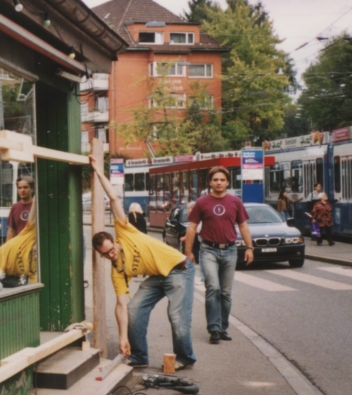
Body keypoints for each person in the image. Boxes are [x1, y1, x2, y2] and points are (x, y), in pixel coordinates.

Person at [90, 155, 196, 370]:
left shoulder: (124, 230)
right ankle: (139, 356)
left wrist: (99, 173)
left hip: (179, 269)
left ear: (115, 241)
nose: (111, 255)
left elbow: (113, 198)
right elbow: (120, 305)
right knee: (134, 309)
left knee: (175, 315)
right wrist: (122, 338)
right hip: (157, 276)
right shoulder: (117, 270)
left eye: (111, 250)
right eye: (105, 255)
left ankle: (185, 357)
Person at [183, 166, 254, 345]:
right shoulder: (202, 202)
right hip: (209, 250)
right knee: (213, 287)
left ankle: (223, 328)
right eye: (215, 180)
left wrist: (249, 247)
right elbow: (192, 227)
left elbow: (243, 226)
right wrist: (188, 252)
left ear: (228, 182)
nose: (219, 183)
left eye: (222, 180)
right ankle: (214, 328)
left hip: (230, 250)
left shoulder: (235, 202)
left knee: (225, 293)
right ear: (210, 182)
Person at [6, 175, 34, 241]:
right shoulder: (15, 207)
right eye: (20, 188)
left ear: (32, 189)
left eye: (25, 187)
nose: (22, 190)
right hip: (20, 247)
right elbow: (11, 231)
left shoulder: (37, 206)